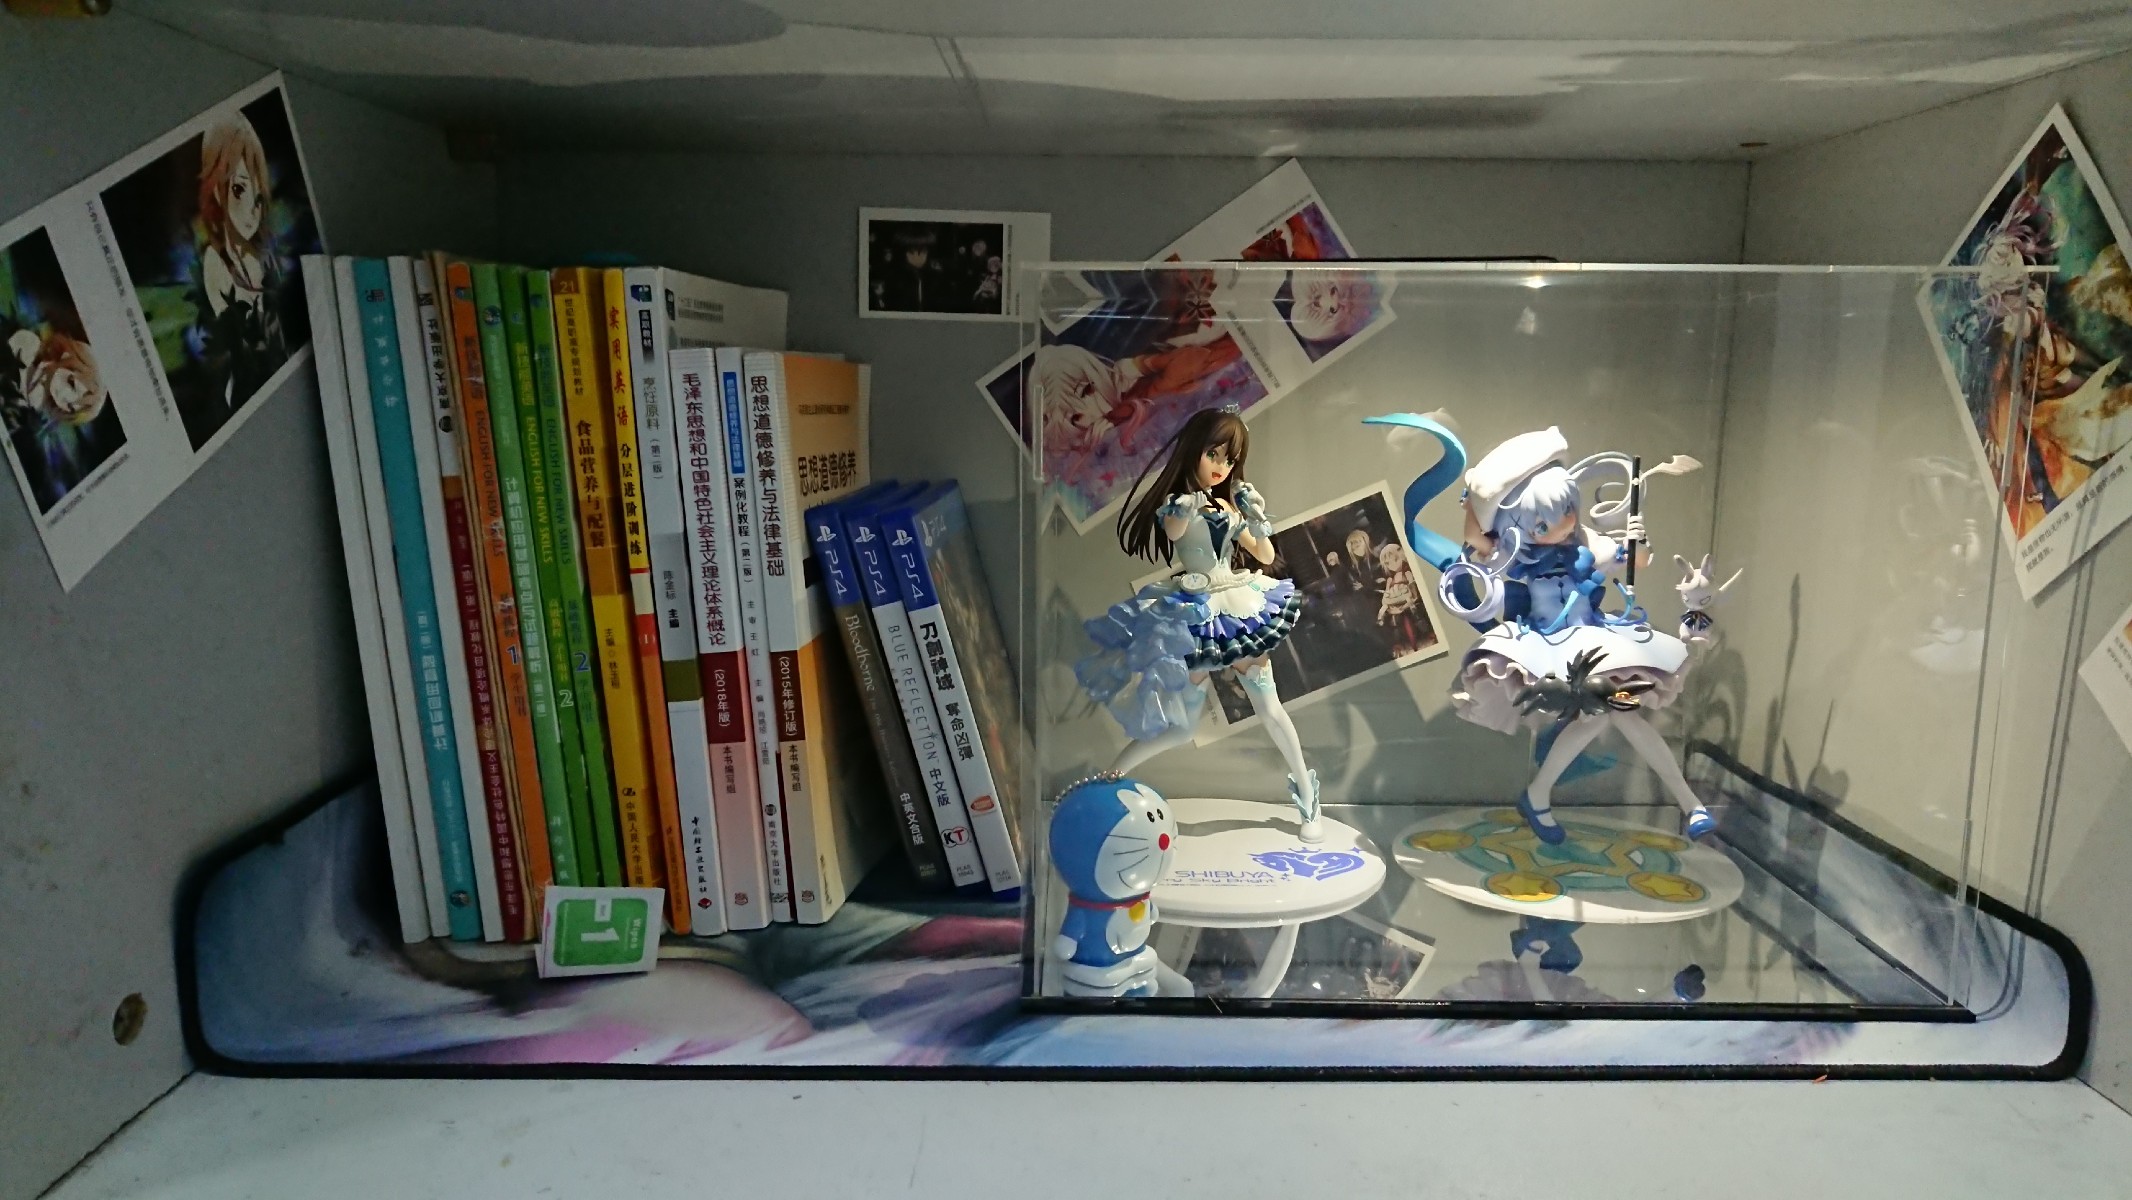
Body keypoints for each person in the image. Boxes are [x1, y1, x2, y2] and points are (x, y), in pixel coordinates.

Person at [1368, 415, 1736, 844]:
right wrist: (1476, 583)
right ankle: (1683, 803)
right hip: (1553, 653)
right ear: (1518, 527)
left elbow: (1634, 561)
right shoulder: (1517, 561)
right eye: (1542, 524)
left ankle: (1553, 796)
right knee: (1616, 711)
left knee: (1615, 711)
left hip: (1599, 644)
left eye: (1568, 512)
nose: (1562, 526)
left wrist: (1639, 541)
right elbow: (1483, 562)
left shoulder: (1586, 546)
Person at [1075, 406, 1323, 840]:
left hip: (1238, 606)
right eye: (1213, 454)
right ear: (1194, 450)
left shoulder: (1229, 504)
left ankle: (1307, 796)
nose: (1221, 466)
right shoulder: (1180, 504)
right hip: (1195, 615)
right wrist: (1186, 504)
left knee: (1270, 709)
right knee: (1182, 727)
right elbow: (1173, 532)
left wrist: (1254, 517)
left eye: (1229, 459)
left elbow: (1265, 555)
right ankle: (1111, 776)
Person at [196, 111, 286, 427]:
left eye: (257, 198)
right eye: (238, 190)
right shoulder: (215, 262)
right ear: (217, 189)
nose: (250, 211)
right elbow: (234, 348)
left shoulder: (261, 258)